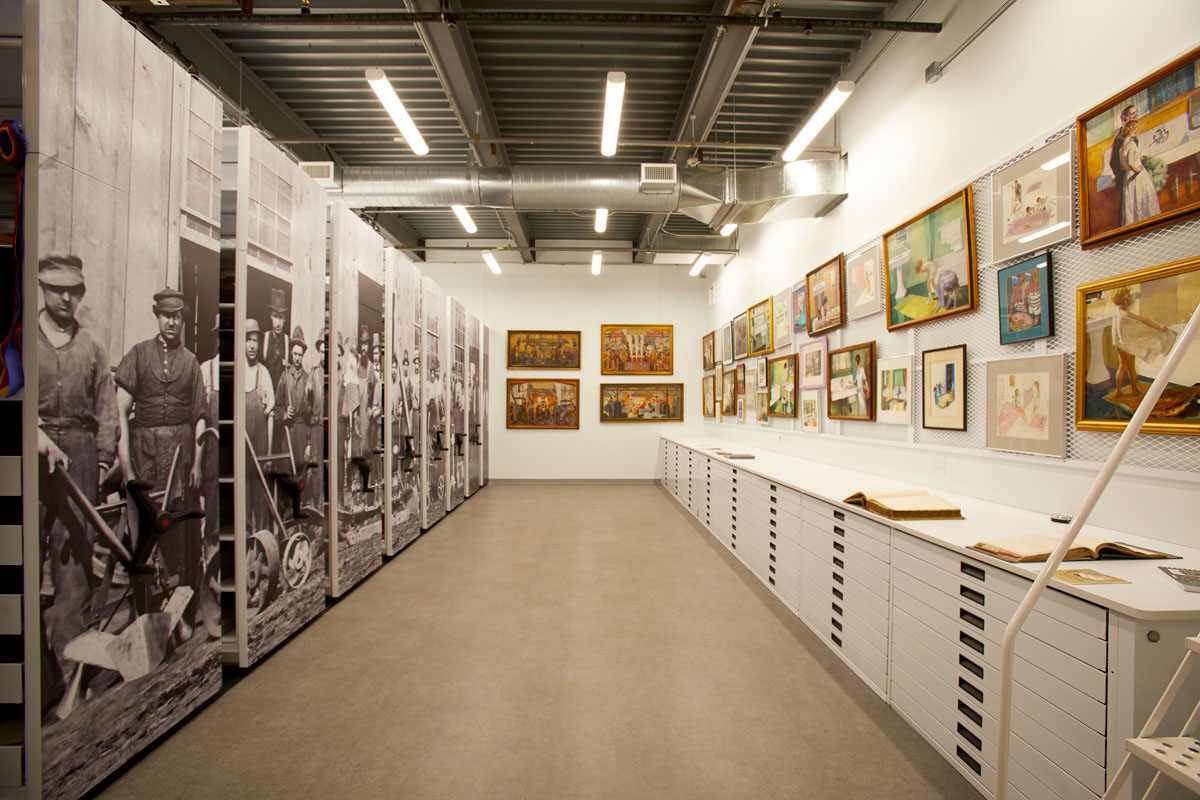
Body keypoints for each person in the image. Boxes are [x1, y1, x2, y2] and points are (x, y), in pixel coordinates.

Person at [36, 255, 120, 710]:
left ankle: (71, 675)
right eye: (57, 289)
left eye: (74, 291)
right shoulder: (19, 341)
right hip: (32, 455)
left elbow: (106, 408)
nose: (65, 298)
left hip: (80, 456)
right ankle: (38, 677)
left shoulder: (92, 346)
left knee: (73, 563)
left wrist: (103, 461)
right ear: (43, 289)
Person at [114, 287, 208, 641]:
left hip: (181, 461)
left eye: (177, 316)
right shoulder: (138, 355)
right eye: (166, 315)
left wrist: (197, 462)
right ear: (157, 317)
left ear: (183, 320)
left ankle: (181, 612)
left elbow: (200, 417)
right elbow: (120, 410)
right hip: (145, 458)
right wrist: (126, 467)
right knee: (144, 537)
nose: (171, 322)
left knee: (179, 536)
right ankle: (147, 616)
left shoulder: (191, 362)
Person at [1111, 286, 1173, 398]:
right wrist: (1158, 327)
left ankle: (1118, 391)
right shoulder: (1125, 314)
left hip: (1119, 343)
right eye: (1127, 298)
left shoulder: (1117, 310)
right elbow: (1143, 320)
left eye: (1129, 296)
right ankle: (1135, 390)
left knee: (1122, 366)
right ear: (1122, 301)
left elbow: (1115, 329)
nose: (1130, 299)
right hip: (1126, 345)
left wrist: (1116, 343)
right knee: (1131, 367)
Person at [243, 318, 275, 532]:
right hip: (242, 446)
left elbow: (270, 415)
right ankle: (245, 539)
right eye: (249, 340)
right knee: (243, 493)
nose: (252, 345)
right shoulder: (237, 372)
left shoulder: (263, 373)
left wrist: (269, 453)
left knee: (260, 493)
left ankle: (262, 539)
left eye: (256, 340)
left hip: (260, 445)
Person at [275, 327, 314, 476]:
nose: (297, 358)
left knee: (301, 474)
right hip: (287, 433)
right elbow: (276, 409)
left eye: (300, 354)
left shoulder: (308, 379)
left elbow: (311, 416)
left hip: (302, 433)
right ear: (291, 353)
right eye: (295, 354)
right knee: (287, 473)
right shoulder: (284, 377)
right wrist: (285, 414)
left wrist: (309, 442)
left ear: (303, 355)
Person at [1116, 108, 1161, 227]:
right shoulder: (1132, 144)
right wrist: (1137, 170)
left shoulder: (1121, 148)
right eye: (1134, 128)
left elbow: (1122, 166)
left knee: (1132, 205)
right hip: (1137, 177)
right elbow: (1131, 163)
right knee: (1143, 202)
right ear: (1130, 130)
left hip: (1128, 178)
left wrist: (1135, 161)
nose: (1136, 130)